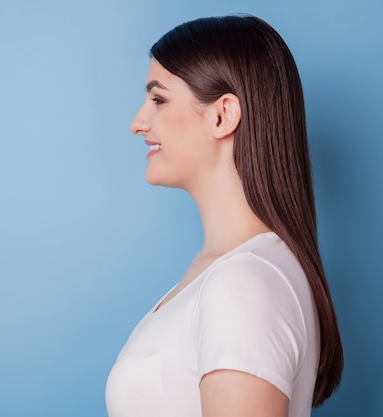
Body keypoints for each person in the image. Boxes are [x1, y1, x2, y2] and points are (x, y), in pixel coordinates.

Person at [105, 14, 343, 417]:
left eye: (158, 99)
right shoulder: (226, 273)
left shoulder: (245, 282)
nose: (137, 123)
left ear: (222, 115)